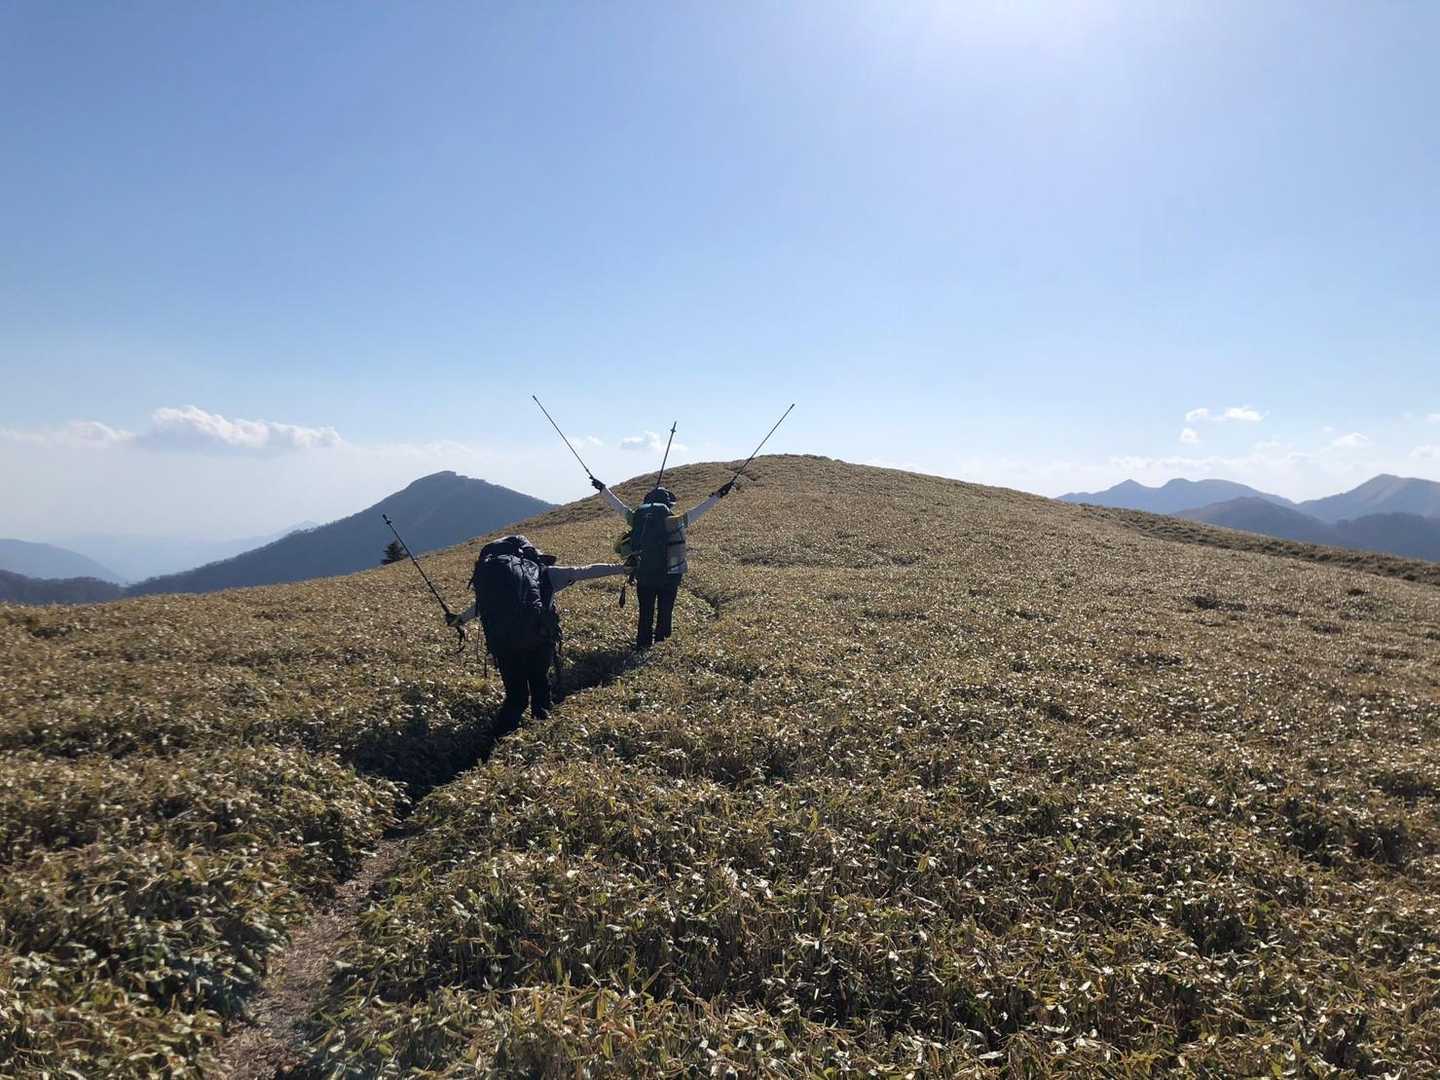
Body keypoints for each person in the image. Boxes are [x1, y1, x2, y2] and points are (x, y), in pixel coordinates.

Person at [448, 535, 627, 729]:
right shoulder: (547, 573)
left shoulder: (497, 582)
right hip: (539, 639)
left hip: (504, 644)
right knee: (540, 686)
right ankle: (539, 727)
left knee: (515, 697)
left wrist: (459, 619)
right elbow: (584, 571)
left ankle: (499, 736)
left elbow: (480, 607)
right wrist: (621, 568)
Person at [590, 478, 734, 649]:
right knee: (665, 612)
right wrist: (718, 495)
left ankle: (642, 645)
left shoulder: (637, 518)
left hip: (644, 575)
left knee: (645, 612)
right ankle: (661, 644)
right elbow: (697, 511)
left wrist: (603, 489)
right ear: (668, 504)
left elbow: (619, 507)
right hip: (670, 576)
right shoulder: (674, 521)